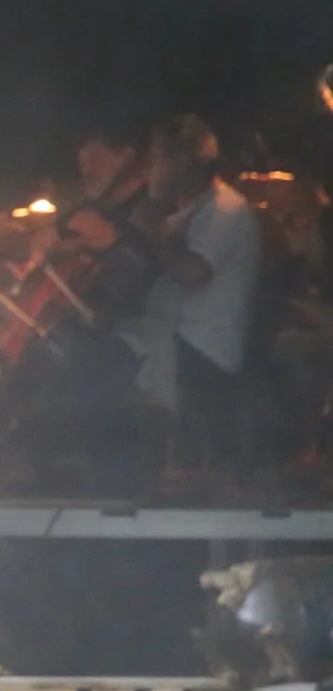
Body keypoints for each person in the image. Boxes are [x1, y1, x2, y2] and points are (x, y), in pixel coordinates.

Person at [126, 114, 264, 478]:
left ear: (182, 163)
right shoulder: (188, 209)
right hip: (177, 337)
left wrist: (155, 234)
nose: (149, 169)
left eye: (156, 158)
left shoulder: (224, 209)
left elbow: (193, 273)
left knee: (113, 356)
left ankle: (141, 468)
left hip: (203, 348)